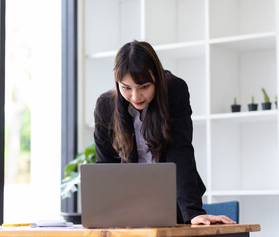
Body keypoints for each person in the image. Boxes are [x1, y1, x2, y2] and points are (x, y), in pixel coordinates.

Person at [93, 40, 236, 225]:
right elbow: (105, 166)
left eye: (144, 87)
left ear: (157, 78)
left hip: (173, 200)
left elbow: (180, 151)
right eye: (126, 88)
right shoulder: (106, 105)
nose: (136, 97)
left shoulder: (174, 90)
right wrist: (104, 214)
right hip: (128, 205)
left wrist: (193, 212)